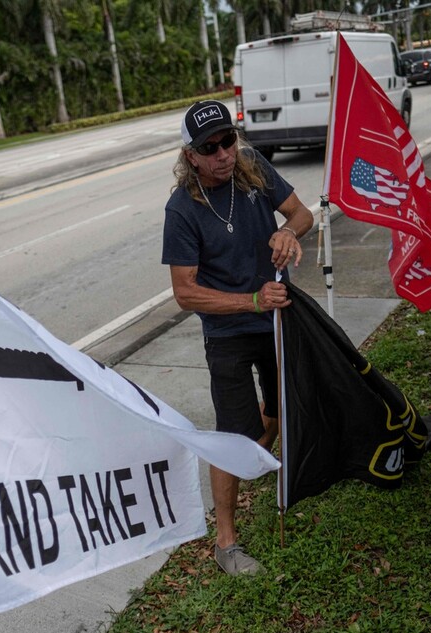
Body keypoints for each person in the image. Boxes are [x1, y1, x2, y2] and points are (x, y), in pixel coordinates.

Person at [161, 100, 313, 576]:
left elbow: (302, 213)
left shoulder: (251, 167)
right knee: (231, 436)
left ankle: (258, 461)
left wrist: (288, 231)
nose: (225, 153)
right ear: (191, 156)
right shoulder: (182, 210)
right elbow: (185, 293)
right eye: (211, 147)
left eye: (229, 139)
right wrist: (250, 302)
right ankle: (226, 543)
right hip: (228, 331)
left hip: (274, 318)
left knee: (281, 407)